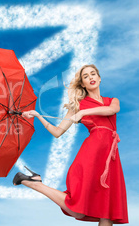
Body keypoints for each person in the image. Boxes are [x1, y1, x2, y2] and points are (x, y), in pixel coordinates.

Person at [13, 64, 129, 225]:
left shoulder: (111, 101)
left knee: (107, 213)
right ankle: (34, 184)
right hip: (92, 154)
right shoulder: (78, 105)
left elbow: (111, 110)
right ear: (82, 84)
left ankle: (35, 181)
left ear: (99, 78)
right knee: (77, 209)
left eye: (93, 74)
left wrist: (83, 113)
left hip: (111, 157)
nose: (91, 78)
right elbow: (57, 132)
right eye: (86, 76)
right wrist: (38, 116)